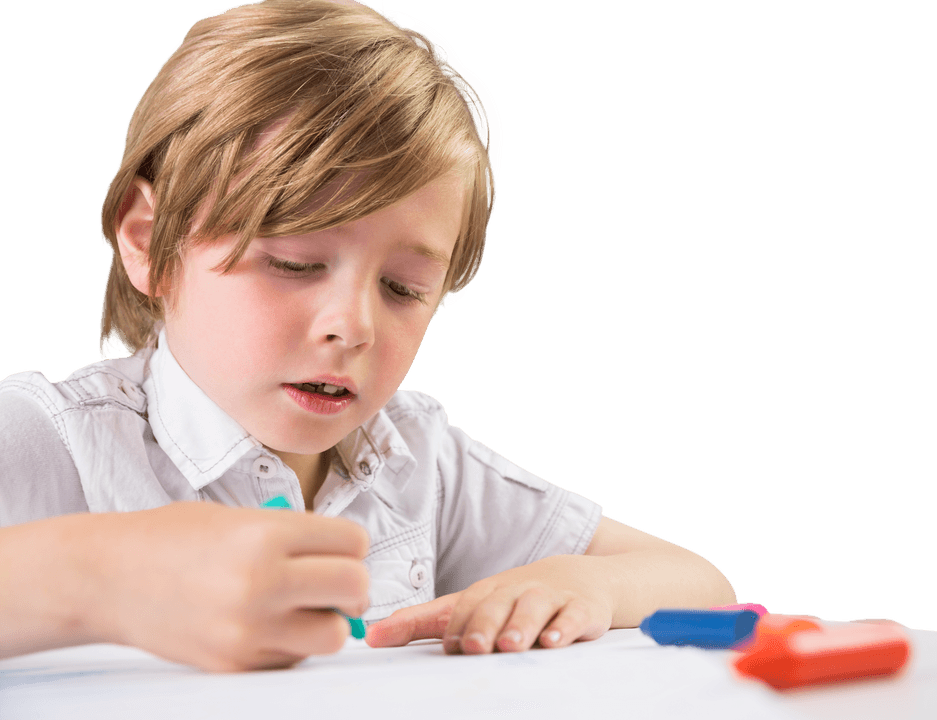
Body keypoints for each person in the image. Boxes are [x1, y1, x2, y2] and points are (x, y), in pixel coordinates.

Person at [0, 0, 736, 673]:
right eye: (293, 263)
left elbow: (701, 581)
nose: (351, 326)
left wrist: (583, 582)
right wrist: (95, 579)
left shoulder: (417, 463)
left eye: (404, 289)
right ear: (146, 241)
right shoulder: (51, 442)